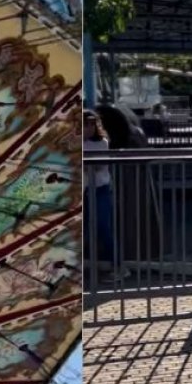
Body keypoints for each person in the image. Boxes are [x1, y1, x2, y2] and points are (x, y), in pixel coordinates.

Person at [83, 110, 118, 275]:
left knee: (104, 227)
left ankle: (117, 265)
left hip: (100, 189)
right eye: (85, 124)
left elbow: (99, 166)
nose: (89, 128)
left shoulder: (101, 142)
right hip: (83, 190)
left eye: (92, 124)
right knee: (83, 229)